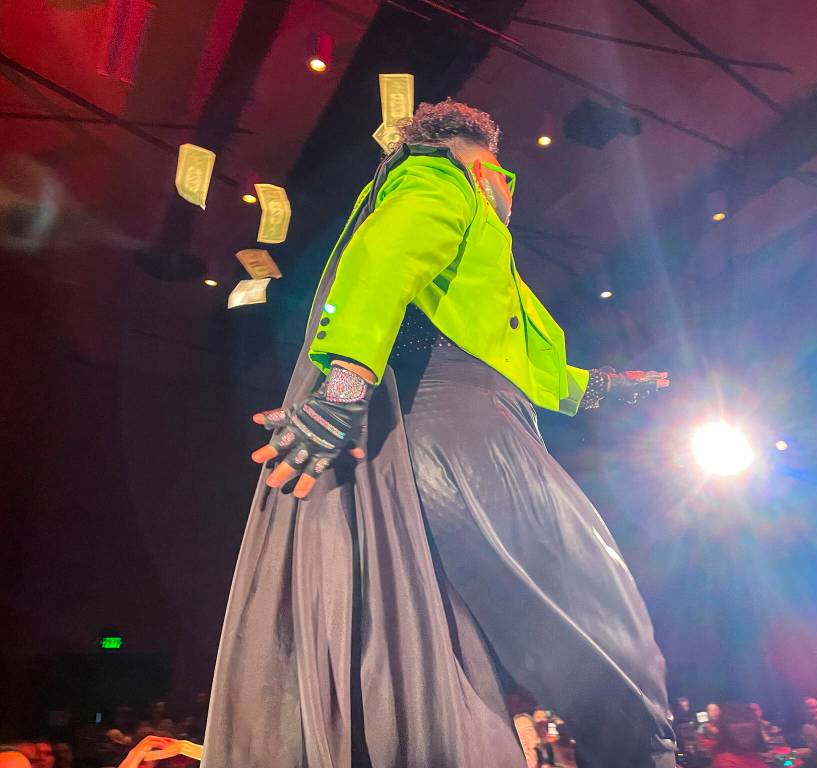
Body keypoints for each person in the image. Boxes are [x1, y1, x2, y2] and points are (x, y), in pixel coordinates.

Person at [202, 99, 675, 768]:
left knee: (454, 650)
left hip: (463, 428)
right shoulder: (439, 179)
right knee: (606, 621)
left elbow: (525, 363)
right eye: (500, 174)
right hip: (463, 430)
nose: (506, 190)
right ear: (480, 162)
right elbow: (382, 262)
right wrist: (342, 388)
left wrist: (602, 387)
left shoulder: (482, 256)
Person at [711, 703, 768, 768]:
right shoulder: (725, 762)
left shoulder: (750, 754)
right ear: (725, 729)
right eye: (735, 721)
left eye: (747, 720)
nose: (743, 726)